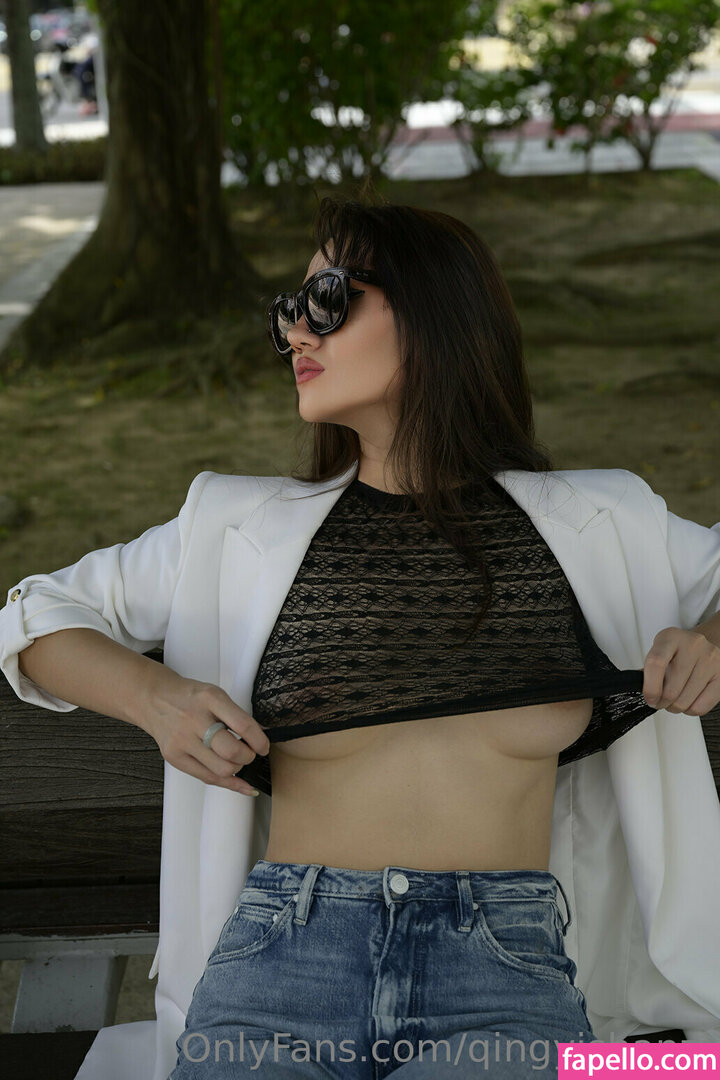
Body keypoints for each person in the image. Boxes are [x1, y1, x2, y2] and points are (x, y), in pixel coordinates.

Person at [2, 197, 720, 1080]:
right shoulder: (230, 524)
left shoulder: (605, 522)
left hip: (503, 974)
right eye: (288, 310)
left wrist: (714, 640)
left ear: (434, 309)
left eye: (327, 299)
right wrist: (158, 701)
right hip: (278, 965)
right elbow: (34, 615)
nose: (294, 332)